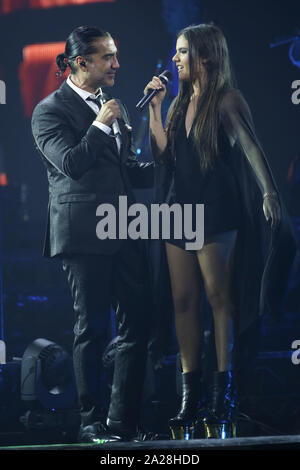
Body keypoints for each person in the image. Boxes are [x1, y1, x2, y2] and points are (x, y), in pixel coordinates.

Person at [145, 23, 295, 439]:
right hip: (179, 212)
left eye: (182, 52)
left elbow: (251, 147)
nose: (175, 59)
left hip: (216, 210)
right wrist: (155, 110)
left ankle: (221, 394)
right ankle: (189, 397)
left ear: (206, 56)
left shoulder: (227, 100)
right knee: (182, 301)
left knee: (218, 298)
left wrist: (269, 193)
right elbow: (161, 157)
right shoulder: (177, 104)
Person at [31, 25, 154, 443]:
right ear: (80, 63)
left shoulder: (113, 106)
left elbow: (129, 171)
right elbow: (72, 164)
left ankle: (124, 424)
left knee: (138, 324)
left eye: (115, 55)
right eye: (107, 57)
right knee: (93, 329)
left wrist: (174, 163)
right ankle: (91, 422)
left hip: (126, 227)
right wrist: (101, 124)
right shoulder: (49, 110)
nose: (117, 64)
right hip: (83, 233)